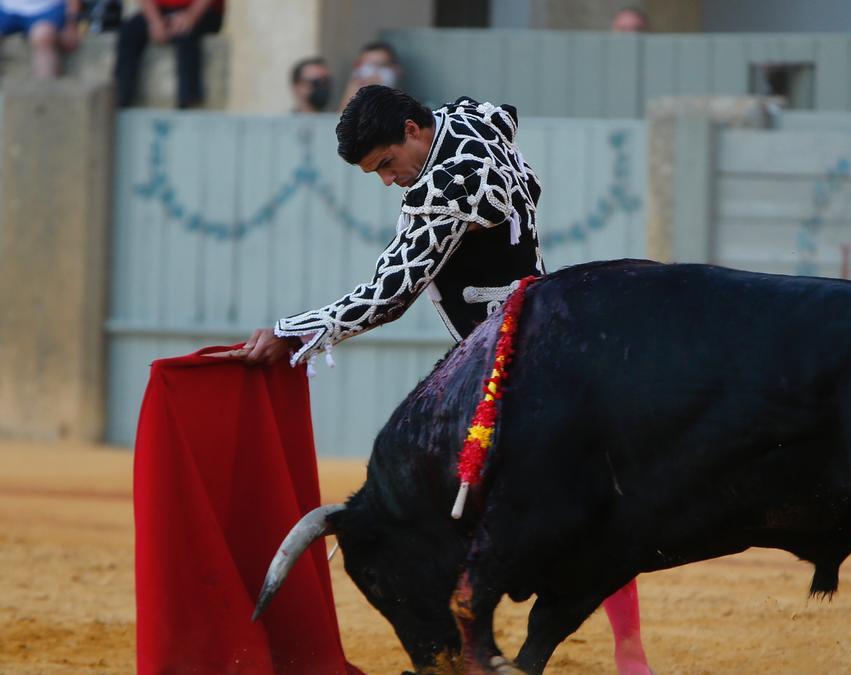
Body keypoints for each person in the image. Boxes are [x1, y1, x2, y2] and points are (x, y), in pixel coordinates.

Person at [235, 86, 652, 674]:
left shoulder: (442, 191)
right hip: (545, 332)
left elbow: (388, 295)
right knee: (584, 492)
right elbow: (504, 111)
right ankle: (623, 649)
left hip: (507, 363)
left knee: (481, 497)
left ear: (414, 131)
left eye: (386, 164)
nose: (389, 182)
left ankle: (472, 644)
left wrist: (291, 331)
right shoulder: (473, 119)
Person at [114, 0, 224, 108]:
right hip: (161, 11)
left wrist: (191, 16)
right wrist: (155, 22)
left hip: (203, 12)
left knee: (186, 34)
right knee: (129, 31)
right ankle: (120, 99)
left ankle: (189, 102)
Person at [0, 0, 81, 79]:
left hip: (47, 8)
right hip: (7, 9)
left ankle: (44, 86)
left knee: (43, 36)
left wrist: (71, 24)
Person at [337, 41, 403, 111]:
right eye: (369, 66)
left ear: (396, 70)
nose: (374, 74)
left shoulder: (405, 104)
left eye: (382, 65)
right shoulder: (354, 92)